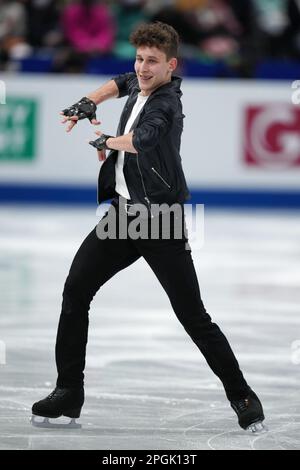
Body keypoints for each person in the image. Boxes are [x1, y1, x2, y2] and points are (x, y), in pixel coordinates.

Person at [31, 21, 266, 433]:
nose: (142, 67)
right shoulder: (140, 81)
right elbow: (120, 81)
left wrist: (106, 141)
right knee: (75, 291)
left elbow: (143, 139)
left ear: (171, 65)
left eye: (152, 62)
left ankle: (243, 395)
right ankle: (69, 392)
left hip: (159, 219)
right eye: (139, 58)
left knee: (193, 316)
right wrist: (88, 100)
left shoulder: (166, 103)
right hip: (123, 215)